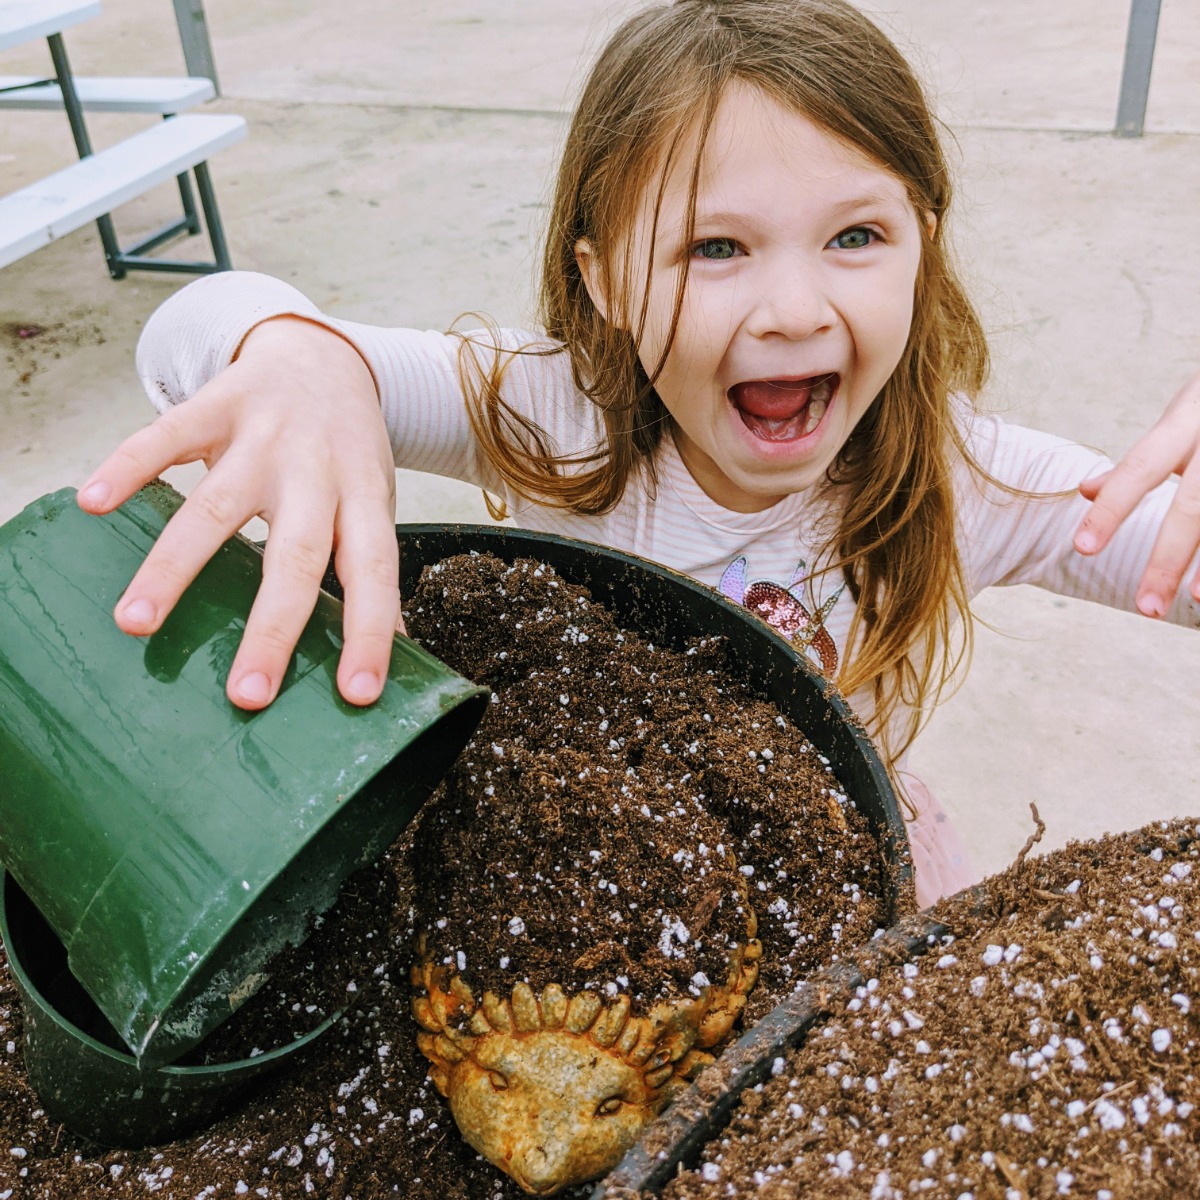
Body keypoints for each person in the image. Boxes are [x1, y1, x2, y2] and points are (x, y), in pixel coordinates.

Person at [78, 0, 1199, 908]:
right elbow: (189, 337)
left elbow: (1175, 567)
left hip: (837, 886)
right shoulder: (549, 411)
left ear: (923, 246)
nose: (795, 307)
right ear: (604, 278)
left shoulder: (970, 479)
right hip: (575, 884)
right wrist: (290, 353)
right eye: (716, 247)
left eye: (856, 235)